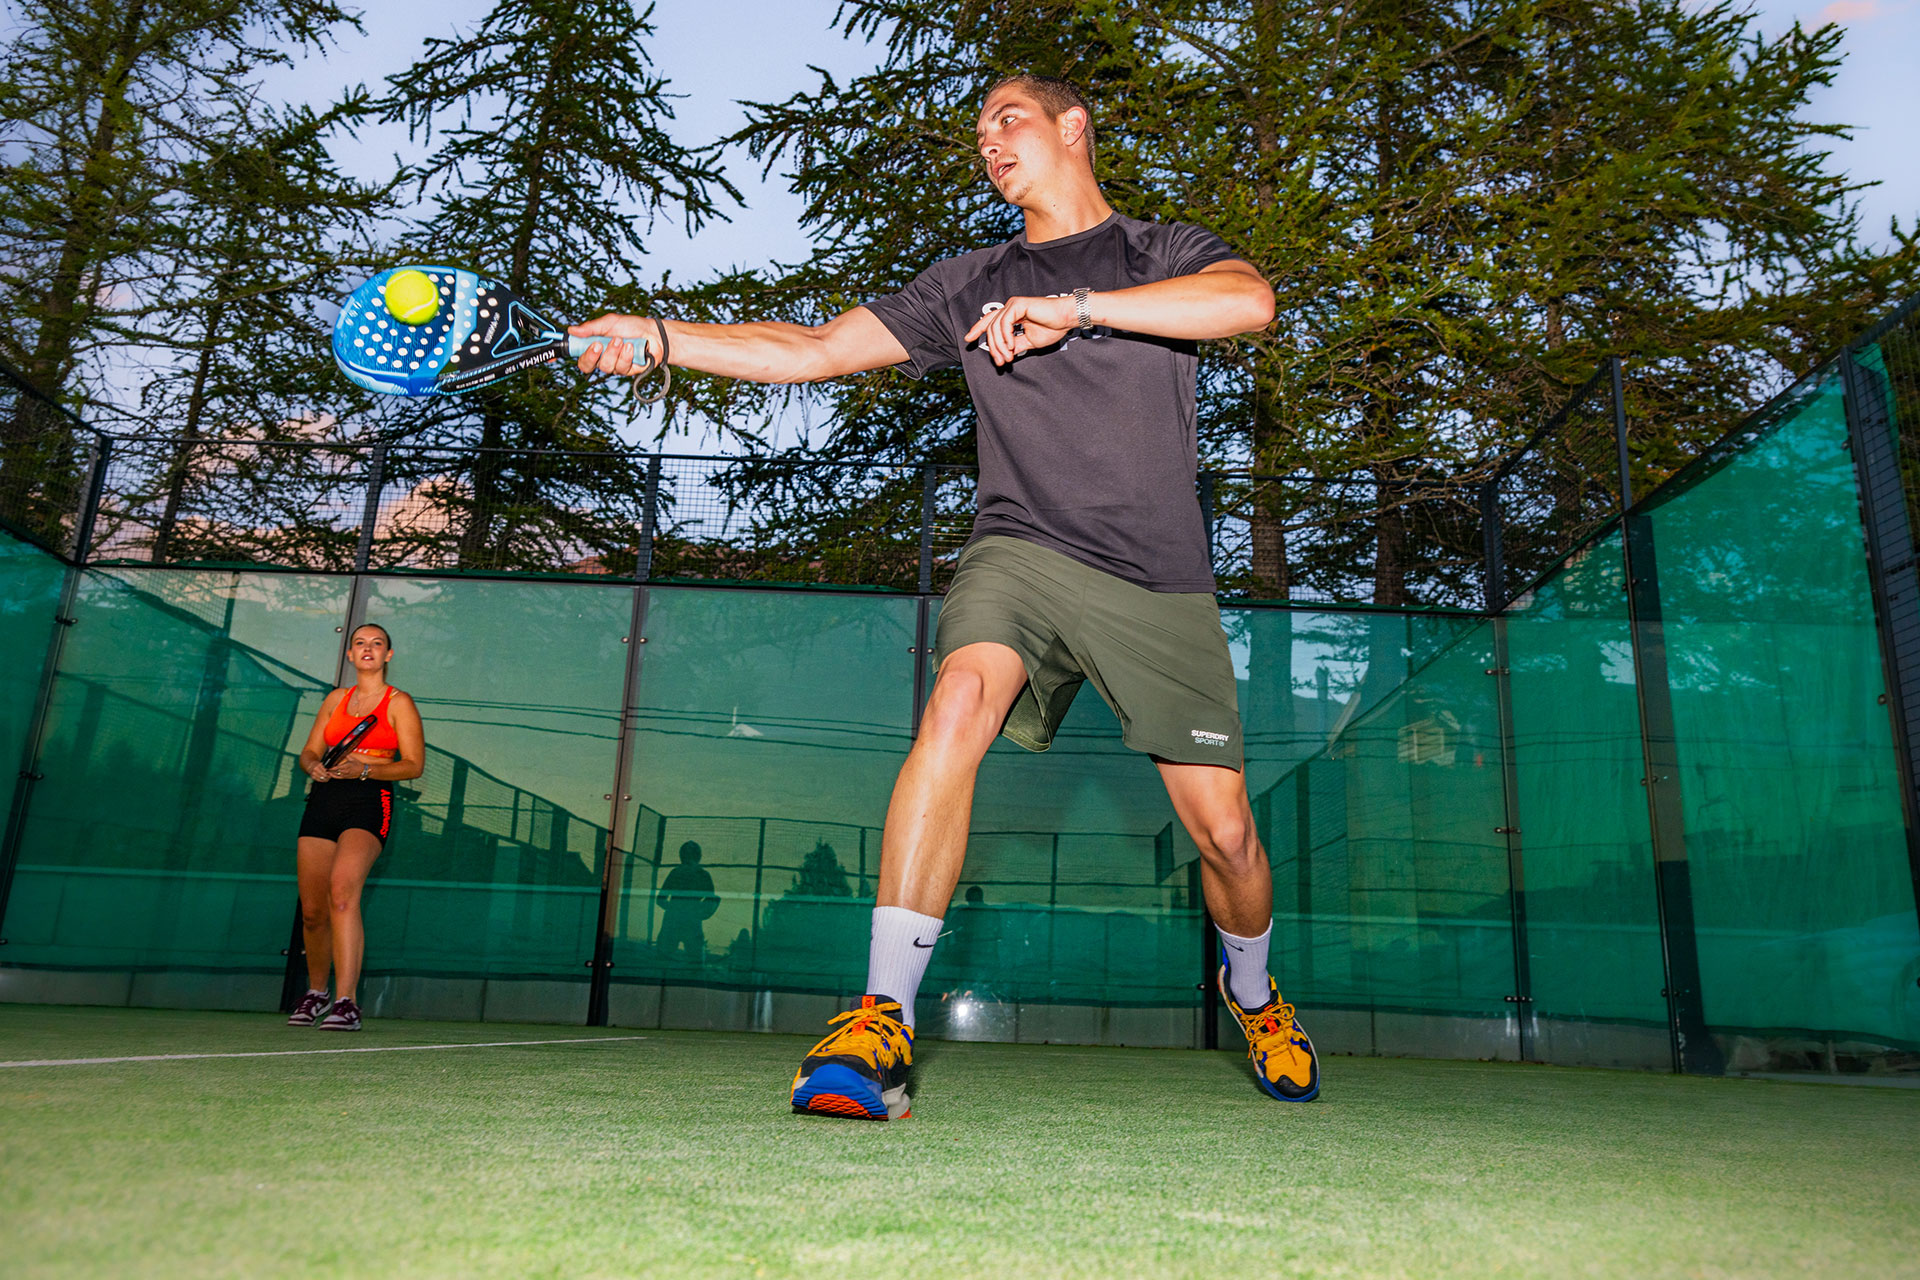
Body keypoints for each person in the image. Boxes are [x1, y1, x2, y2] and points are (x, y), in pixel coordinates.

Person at [572, 74, 1317, 1118]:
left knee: (1226, 833)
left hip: (1155, 576)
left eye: (1008, 120)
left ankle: (1255, 993)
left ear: (1073, 127)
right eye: (977, 133)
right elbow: (819, 350)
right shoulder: (969, 282)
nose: (989, 142)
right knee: (956, 706)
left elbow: (1250, 301)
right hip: (1017, 549)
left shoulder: (1158, 254)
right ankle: (881, 1016)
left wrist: (1078, 311)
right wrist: (661, 334)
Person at [285, 623, 425, 1031]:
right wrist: (313, 765)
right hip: (325, 800)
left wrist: (364, 768)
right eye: (360, 643)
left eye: (376, 644)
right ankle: (316, 993)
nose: (368, 649)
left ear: (388, 656)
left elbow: (414, 765)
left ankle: (347, 1002)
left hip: (370, 799)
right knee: (312, 912)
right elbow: (310, 750)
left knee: (342, 892)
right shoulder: (334, 699)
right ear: (349, 655)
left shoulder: (399, 703)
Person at [656, 839, 720, 962]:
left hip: (673, 921)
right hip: (690, 922)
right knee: (694, 962)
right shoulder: (703, 875)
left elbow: (660, 899)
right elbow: (711, 901)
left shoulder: (676, 873)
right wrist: (695, 911)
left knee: (664, 961)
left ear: (681, 856)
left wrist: (675, 909)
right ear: (699, 856)